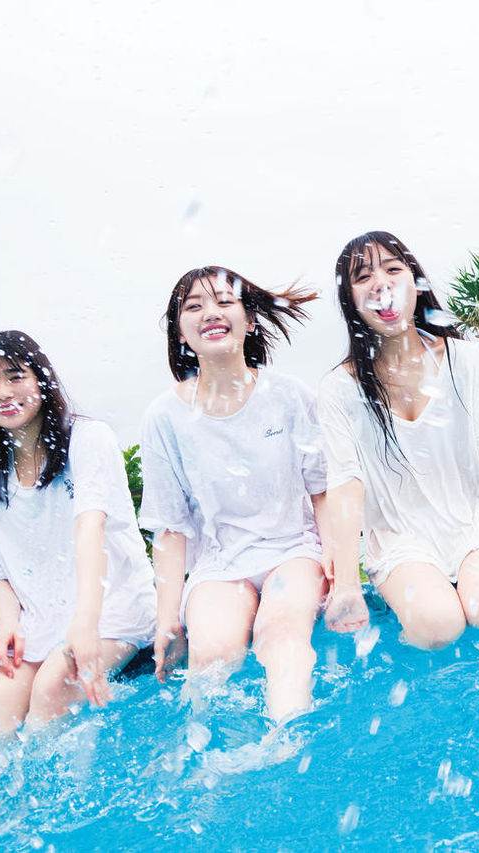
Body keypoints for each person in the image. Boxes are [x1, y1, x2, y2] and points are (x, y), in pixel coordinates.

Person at [319, 231, 479, 650]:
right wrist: (346, 584)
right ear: (351, 301)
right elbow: (345, 485)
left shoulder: (464, 359)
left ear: (415, 285)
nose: (381, 284)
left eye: (392, 269)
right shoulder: (339, 389)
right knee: (437, 627)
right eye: (363, 277)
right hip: (401, 537)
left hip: (475, 520)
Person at [141, 267, 332, 721]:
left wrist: (339, 569)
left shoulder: (289, 396)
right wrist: (167, 619)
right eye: (194, 307)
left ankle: (287, 742)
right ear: (181, 333)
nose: (211, 313)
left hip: (293, 549)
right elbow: (170, 527)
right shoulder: (164, 416)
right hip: (219, 565)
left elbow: (323, 490)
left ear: (249, 320)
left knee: (280, 633)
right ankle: (218, 757)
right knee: (211, 655)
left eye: (225, 302)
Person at [0, 331, 157, 743]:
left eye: (16, 376)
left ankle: (57, 785)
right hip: (39, 622)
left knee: (53, 686)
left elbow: (90, 529)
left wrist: (85, 624)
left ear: (41, 379)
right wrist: (5, 626)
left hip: (111, 607)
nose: (2, 392)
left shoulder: (87, 438)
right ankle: (11, 788)